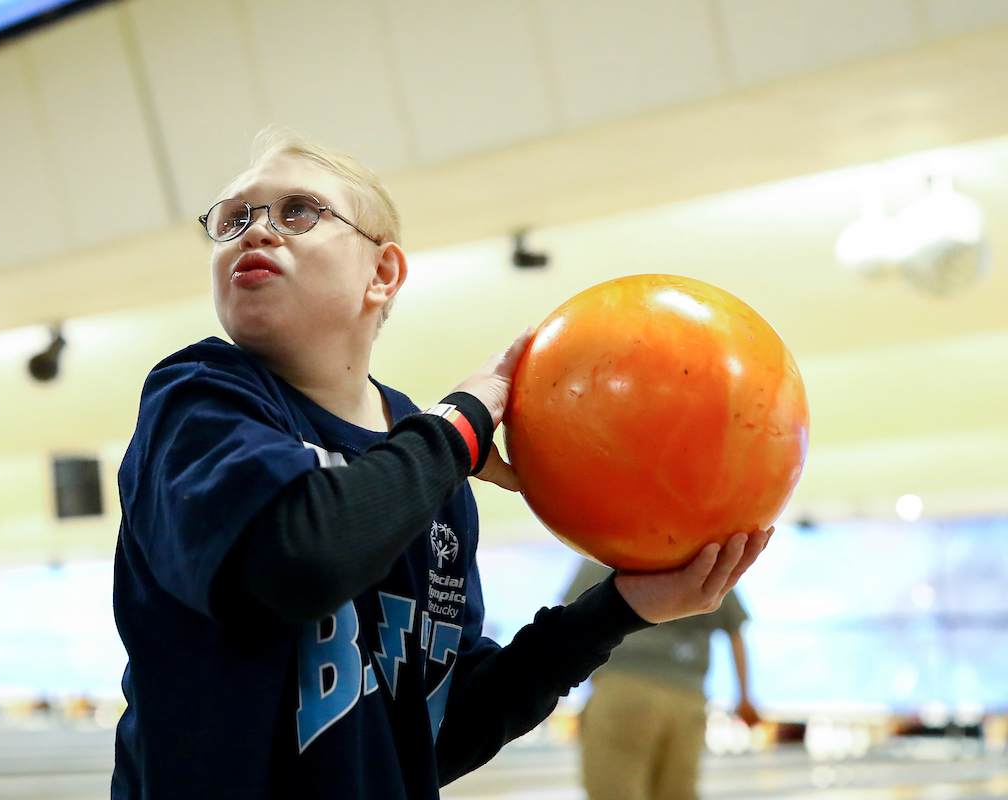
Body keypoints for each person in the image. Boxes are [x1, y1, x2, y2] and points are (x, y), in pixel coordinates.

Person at [110, 127, 772, 800]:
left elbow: (436, 732)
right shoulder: (200, 398)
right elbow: (295, 560)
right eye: (232, 219)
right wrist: (458, 427)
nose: (255, 232)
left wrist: (619, 608)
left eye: (298, 211)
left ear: (383, 272)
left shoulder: (430, 472)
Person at [563, 559, 761, 800]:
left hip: (624, 689)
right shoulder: (706, 555)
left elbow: (569, 619)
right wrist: (745, 697)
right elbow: (735, 633)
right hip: (687, 700)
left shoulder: (610, 545)